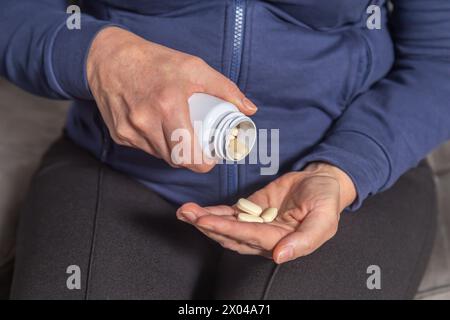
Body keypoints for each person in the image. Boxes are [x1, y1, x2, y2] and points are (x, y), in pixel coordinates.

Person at [1, 0, 448, 299]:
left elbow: (440, 56)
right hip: (121, 166)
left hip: (350, 171)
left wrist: (344, 169)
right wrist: (99, 56)